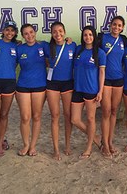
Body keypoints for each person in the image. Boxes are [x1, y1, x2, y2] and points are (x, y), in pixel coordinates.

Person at [71, 25, 106, 159]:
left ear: (94, 36)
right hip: (78, 88)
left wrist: (100, 91)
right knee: (75, 120)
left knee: (91, 119)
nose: (88, 37)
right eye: (85, 35)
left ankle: (89, 147)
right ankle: (96, 138)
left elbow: (102, 72)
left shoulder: (100, 53)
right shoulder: (78, 50)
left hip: (91, 90)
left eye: (90, 35)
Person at [45, 22, 76, 160]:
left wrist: (70, 39)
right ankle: (56, 149)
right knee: (55, 116)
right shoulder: (47, 46)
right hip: (52, 84)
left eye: (60, 31)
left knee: (68, 115)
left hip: (68, 84)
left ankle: (67, 145)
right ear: (51, 34)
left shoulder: (72, 45)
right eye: (55, 32)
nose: (58, 34)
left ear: (64, 31)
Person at [16, 23, 48, 157]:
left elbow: (58, 46)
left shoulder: (43, 45)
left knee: (36, 116)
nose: (29, 35)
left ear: (35, 32)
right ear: (23, 36)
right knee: (25, 117)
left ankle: (33, 146)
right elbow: (9, 62)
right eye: (26, 34)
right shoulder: (19, 49)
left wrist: (67, 40)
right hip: (23, 85)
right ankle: (26, 144)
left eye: (31, 32)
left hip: (40, 85)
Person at [99, 16, 127, 157]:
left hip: (118, 79)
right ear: (110, 25)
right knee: (106, 111)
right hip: (105, 80)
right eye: (114, 25)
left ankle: (110, 141)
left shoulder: (124, 40)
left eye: (119, 25)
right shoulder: (102, 38)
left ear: (122, 27)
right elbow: (88, 47)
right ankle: (104, 143)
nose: (116, 27)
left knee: (114, 111)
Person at [0, 20, 18, 157]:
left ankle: (0, 145)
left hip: (9, 82)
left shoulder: (17, 46)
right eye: (7, 30)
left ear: (15, 33)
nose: (9, 33)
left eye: (12, 30)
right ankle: (1, 138)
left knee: (4, 115)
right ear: (2, 31)